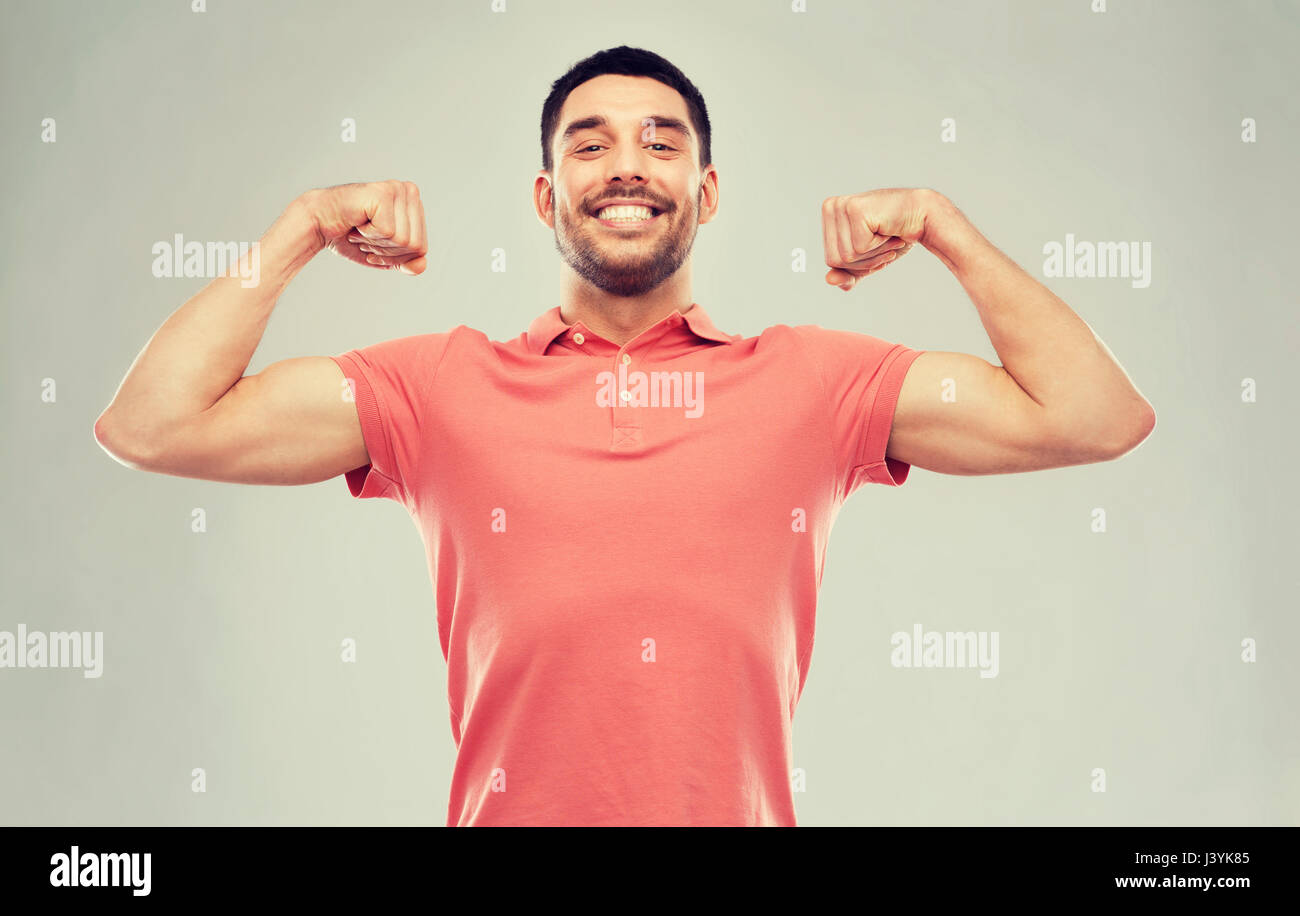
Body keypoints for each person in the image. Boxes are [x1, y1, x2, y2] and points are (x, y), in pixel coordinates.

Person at [93, 46, 1155, 826]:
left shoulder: (810, 381)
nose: (627, 164)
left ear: (707, 189)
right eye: (589, 143)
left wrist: (941, 228)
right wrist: (302, 229)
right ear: (549, 197)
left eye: (662, 140)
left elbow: (1094, 415)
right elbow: (152, 423)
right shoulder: (440, 386)